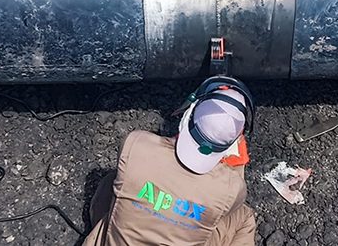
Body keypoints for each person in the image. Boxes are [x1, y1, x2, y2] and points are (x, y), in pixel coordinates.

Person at [83, 76, 257, 246]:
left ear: (187, 114)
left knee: (113, 180)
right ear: (231, 146)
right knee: (243, 216)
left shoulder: (137, 144)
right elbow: (229, 209)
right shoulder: (232, 188)